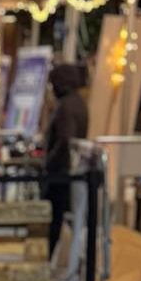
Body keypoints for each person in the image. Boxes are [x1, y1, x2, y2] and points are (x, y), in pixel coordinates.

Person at [43, 63, 89, 256]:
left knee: (53, 219)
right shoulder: (78, 103)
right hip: (69, 171)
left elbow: (64, 139)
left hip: (60, 174)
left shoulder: (66, 107)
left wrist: (49, 162)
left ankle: (49, 257)